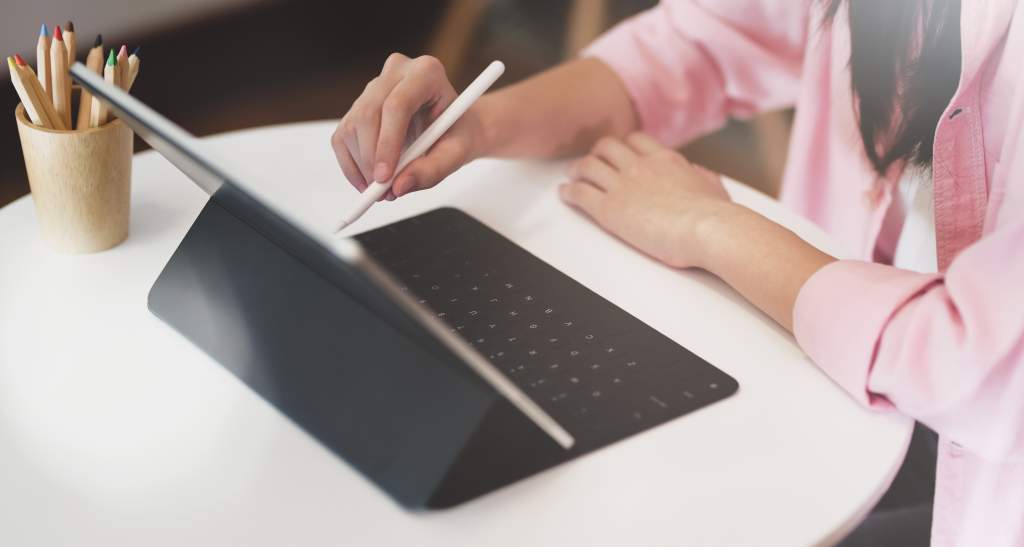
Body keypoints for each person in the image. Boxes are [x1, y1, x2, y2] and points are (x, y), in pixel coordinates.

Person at [330, 1, 1024, 545]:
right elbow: (703, 41)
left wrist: (710, 225)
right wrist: (477, 125)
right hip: (841, 388)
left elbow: (977, 360)